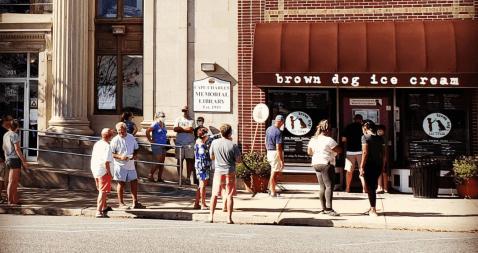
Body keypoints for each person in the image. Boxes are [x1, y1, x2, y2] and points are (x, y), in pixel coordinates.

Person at [307, 120, 342, 216]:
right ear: (327, 130)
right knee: (330, 186)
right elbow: (339, 149)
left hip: (316, 163)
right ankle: (329, 208)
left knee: (322, 186)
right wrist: (330, 151)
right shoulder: (329, 140)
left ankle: (323, 208)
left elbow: (309, 152)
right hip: (326, 163)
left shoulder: (314, 139)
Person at [208, 124, 241, 224]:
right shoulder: (233, 145)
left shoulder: (214, 143)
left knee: (214, 194)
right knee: (229, 195)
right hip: (229, 171)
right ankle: (229, 218)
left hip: (218, 171)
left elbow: (211, 157)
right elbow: (238, 160)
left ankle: (211, 216)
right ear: (230, 133)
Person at [110, 122, 145, 209]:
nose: (120, 132)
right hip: (119, 164)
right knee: (121, 183)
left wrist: (134, 155)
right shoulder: (115, 140)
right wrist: (120, 157)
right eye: (118, 131)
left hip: (130, 164)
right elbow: (111, 153)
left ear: (125, 129)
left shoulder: (131, 137)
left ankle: (135, 202)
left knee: (134, 182)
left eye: (121, 130)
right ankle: (121, 203)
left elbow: (137, 149)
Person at [359, 120, 386, 217]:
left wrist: (361, 167)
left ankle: (373, 210)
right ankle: (371, 207)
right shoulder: (380, 138)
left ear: (365, 128)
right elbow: (383, 154)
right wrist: (383, 165)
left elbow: (365, 152)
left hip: (369, 164)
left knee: (370, 188)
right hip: (378, 163)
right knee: (373, 186)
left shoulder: (365, 137)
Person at [2, 120, 28, 207]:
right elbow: (17, 149)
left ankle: (15, 199)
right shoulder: (15, 135)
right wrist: (24, 161)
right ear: (16, 127)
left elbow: (4, 147)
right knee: (12, 181)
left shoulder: (6, 134)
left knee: (14, 180)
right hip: (14, 159)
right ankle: (10, 201)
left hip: (8, 158)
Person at [193, 128, 221, 210]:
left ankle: (196, 203)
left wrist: (219, 135)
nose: (208, 137)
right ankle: (203, 204)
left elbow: (212, 137)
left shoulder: (199, 141)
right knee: (203, 186)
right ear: (204, 136)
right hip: (202, 167)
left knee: (200, 185)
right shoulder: (201, 145)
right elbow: (203, 158)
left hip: (200, 166)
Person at [90, 128, 114, 218]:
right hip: (103, 171)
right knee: (103, 191)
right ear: (108, 136)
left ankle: (105, 206)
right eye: (111, 135)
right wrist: (109, 172)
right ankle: (98, 211)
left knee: (101, 189)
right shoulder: (107, 146)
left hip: (96, 169)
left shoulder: (97, 144)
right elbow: (106, 162)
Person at [342, 114, 367, 193]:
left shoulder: (348, 127)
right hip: (361, 151)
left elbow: (343, 139)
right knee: (362, 169)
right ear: (361, 120)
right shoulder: (363, 128)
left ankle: (347, 188)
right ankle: (364, 188)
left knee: (349, 171)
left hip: (350, 151)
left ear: (354, 119)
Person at [173, 105, 196, 185]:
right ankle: (180, 177)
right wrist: (184, 129)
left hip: (189, 143)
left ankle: (188, 178)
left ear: (188, 111)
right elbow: (175, 129)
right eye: (183, 111)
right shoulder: (178, 119)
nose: (184, 112)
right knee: (180, 160)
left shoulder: (192, 119)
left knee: (189, 160)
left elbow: (190, 129)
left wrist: (181, 128)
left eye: (185, 110)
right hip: (179, 143)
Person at [265, 115, 285, 198]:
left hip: (269, 151)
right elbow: (278, 147)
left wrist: (268, 151)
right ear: (281, 122)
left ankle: (271, 189)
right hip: (275, 152)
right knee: (274, 173)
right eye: (283, 122)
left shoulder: (268, 129)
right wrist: (281, 160)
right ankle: (272, 192)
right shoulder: (278, 132)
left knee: (275, 171)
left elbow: (265, 142)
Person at [146, 111, 167, 182]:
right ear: (158, 117)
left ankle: (159, 177)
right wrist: (150, 140)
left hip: (163, 145)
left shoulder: (163, 124)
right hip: (157, 145)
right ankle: (150, 174)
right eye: (162, 116)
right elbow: (147, 131)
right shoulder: (155, 124)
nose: (163, 118)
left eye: (164, 116)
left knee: (162, 161)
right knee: (158, 161)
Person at [0, 114, 12, 204]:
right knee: (1, 179)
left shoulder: (7, 131)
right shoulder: (2, 131)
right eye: (10, 120)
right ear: (5, 121)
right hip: (1, 159)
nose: (12, 121)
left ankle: (8, 198)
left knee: (5, 179)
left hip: (6, 158)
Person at [376, 124, 389, 194]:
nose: (379, 132)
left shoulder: (382, 139)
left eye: (380, 130)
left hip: (382, 157)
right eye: (378, 130)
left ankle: (382, 187)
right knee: (382, 173)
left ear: (384, 131)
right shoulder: (384, 138)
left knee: (383, 172)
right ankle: (382, 187)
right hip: (382, 157)